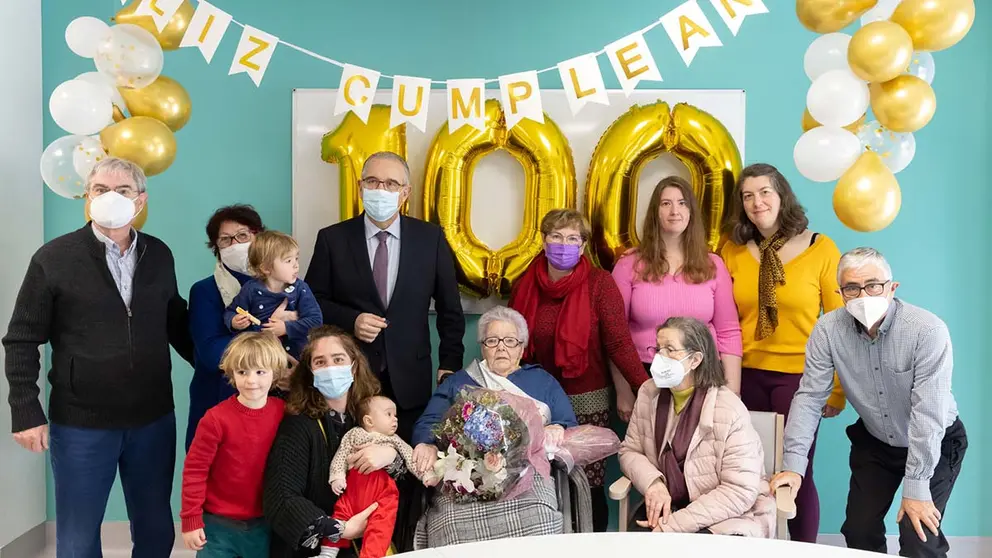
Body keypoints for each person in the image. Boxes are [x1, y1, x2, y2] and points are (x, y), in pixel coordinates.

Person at [3, 157, 193, 557]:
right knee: (76, 537)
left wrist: (226, 365)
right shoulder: (53, 258)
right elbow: (21, 337)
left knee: (157, 527)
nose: (110, 198)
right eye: (100, 190)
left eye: (122, 190)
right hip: (81, 423)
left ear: (140, 201)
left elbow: (176, 322)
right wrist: (25, 409)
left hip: (153, 419)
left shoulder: (159, 255)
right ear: (87, 198)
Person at [772, 248, 967, 557]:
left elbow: (927, 414)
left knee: (918, 536)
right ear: (840, 293)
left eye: (873, 285)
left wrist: (916, 488)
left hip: (936, 440)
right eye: (852, 288)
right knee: (859, 530)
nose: (863, 295)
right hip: (876, 441)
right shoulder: (827, 331)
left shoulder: (927, 331)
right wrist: (793, 467)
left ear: (892, 287)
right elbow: (810, 398)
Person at [718, 163, 845, 543]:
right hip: (745, 376)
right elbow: (722, 319)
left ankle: (805, 550)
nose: (757, 202)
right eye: (748, 195)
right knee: (746, 472)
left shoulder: (820, 248)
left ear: (782, 195)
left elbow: (840, 325)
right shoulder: (732, 250)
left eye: (765, 192)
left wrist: (836, 389)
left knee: (794, 474)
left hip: (801, 381)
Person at [306, 151, 465, 441]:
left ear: (406, 193)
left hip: (410, 379)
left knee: (408, 468)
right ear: (360, 186)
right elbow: (313, 302)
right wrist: (351, 320)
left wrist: (450, 363)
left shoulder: (431, 239)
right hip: (351, 379)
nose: (381, 190)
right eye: (373, 181)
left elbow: (450, 308)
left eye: (391, 184)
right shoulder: (332, 239)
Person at [508, 208, 649, 531]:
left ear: (583, 245)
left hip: (588, 399)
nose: (563, 244)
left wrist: (646, 387)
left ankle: (591, 545)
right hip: (535, 402)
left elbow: (619, 344)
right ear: (543, 241)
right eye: (556, 237)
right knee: (537, 479)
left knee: (587, 483)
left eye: (573, 238)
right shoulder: (525, 284)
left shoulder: (600, 284)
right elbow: (511, 341)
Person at [409, 306, 579, 549]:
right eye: (492, 340)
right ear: (482, 347)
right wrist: (426, 443)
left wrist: (557, 428)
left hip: (527, 476)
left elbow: (568, 423)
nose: (501, 347)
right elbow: (428, 422)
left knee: (540, 516)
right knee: (449, 523)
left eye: (510, 341)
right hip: (465, 477)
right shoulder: (459, 381)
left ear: (521, 348)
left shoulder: (542, 382)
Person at [619, 317, 774, 536]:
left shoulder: (729, 409)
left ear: (695, 360)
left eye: (670, 350)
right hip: (667, 508)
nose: (660, 358)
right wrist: (653, 483)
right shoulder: (648, 392)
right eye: (658, 349)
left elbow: (739, 491)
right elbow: (630, 451)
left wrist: (675, 525)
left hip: (725, 516)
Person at [263, 326, 408, 558]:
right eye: (320, 362)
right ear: (310, 372)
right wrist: (340, 529)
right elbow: (280, 498)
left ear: (354, 364)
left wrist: (390, 455)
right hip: (314, 548)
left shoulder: (372, 417)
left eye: (338, 359)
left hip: (369, 541)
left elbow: (402, 475)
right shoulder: (298, 424)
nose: (330, 367)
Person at [612, 176, 742, 420]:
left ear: (691, 211)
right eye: (666, 204)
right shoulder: (629, 265)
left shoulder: (713, 265)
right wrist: (623, 391)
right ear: (655, 212)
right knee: (646, 453)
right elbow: (615, 335)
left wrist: (732, 391)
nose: (675, 211)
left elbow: (729, 331)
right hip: (643, 376)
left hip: (702, 376)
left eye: (682, 203)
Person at [180, 332, 288, 557]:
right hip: (218, 525)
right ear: (231, 373)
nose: (251, 380)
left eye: (260, 372)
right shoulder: (215, 419)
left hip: (264, 524)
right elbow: (194, 471)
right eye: (242, 372)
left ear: (275, 373)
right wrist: (191, 519)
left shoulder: (283, 413)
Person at [188, 204, 284, 450]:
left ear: (258, 238)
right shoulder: (205, 291)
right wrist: (270, 336)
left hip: (276, 404)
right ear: (216, 248)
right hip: (218, 402)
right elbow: (212, 353)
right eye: (225, 240)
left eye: (243, 236)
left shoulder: (284, 286)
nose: (235, 244)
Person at [321, 395, 429, 558]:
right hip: (354, 490)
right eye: (389, 414)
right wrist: (337, 476)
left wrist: (426, 475)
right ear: (369, 421)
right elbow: (341, 455)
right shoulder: (354, 434)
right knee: (340, 515)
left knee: (381, 527)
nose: (395, 419)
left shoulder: (394, 440)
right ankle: (327, 553)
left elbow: (410, 457)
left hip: (383, 494)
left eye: (396, 415)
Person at [224, 230, 323, 360]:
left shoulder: (301, 289)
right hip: (260, 358)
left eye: (296, 259)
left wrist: (286, 328)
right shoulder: (250, 289)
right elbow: (231, 311)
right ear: (266, 268)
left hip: (297, 359)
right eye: (288, 261)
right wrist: (234, 321)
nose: (296, 265)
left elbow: (316, 321)